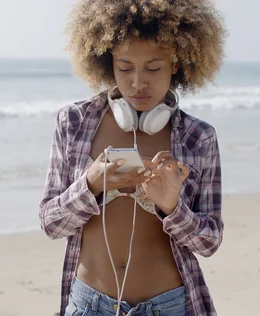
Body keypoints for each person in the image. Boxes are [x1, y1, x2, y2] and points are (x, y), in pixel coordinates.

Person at [39, 1, 226, 315]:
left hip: (167, 306)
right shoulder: (73, 123)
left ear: (177, 63)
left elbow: (209, 242)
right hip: (88, 305)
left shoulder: (199, 138)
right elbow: (51, 224)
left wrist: (171, 206)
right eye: (125, 67)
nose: (138, 82)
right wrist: (91, 184)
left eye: (153, 68)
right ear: (107, 63)